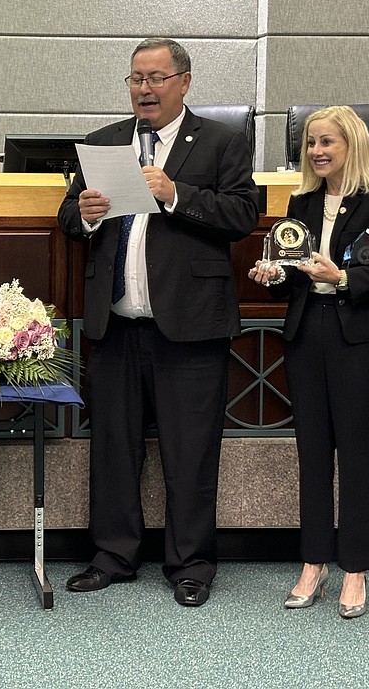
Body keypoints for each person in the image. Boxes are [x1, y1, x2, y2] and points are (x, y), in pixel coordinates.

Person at [58, 38, 259, 605]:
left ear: (184, 82)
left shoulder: (221, 141)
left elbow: (244, 214)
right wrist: (87, 216)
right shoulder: (103, 143)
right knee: (114, 449)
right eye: (135, 79)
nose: (144, 88)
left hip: (191, 326)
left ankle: (191, 563)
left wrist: (177, 195)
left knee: (191, 451)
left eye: (155, 78)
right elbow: (69, 218)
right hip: (116, 325)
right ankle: (114, 556)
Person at [248, 106, 369, 618]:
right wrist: (277, 276)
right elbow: (295, 265)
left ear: (352, 146)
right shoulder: (300, 200)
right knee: (312, 451)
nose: (317, 151)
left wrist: (342, 278)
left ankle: (356, 566)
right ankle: (313, 561)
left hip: (357, 336)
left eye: (328, 143)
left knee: (356, 453)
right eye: (311, 143)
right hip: (307, 331)